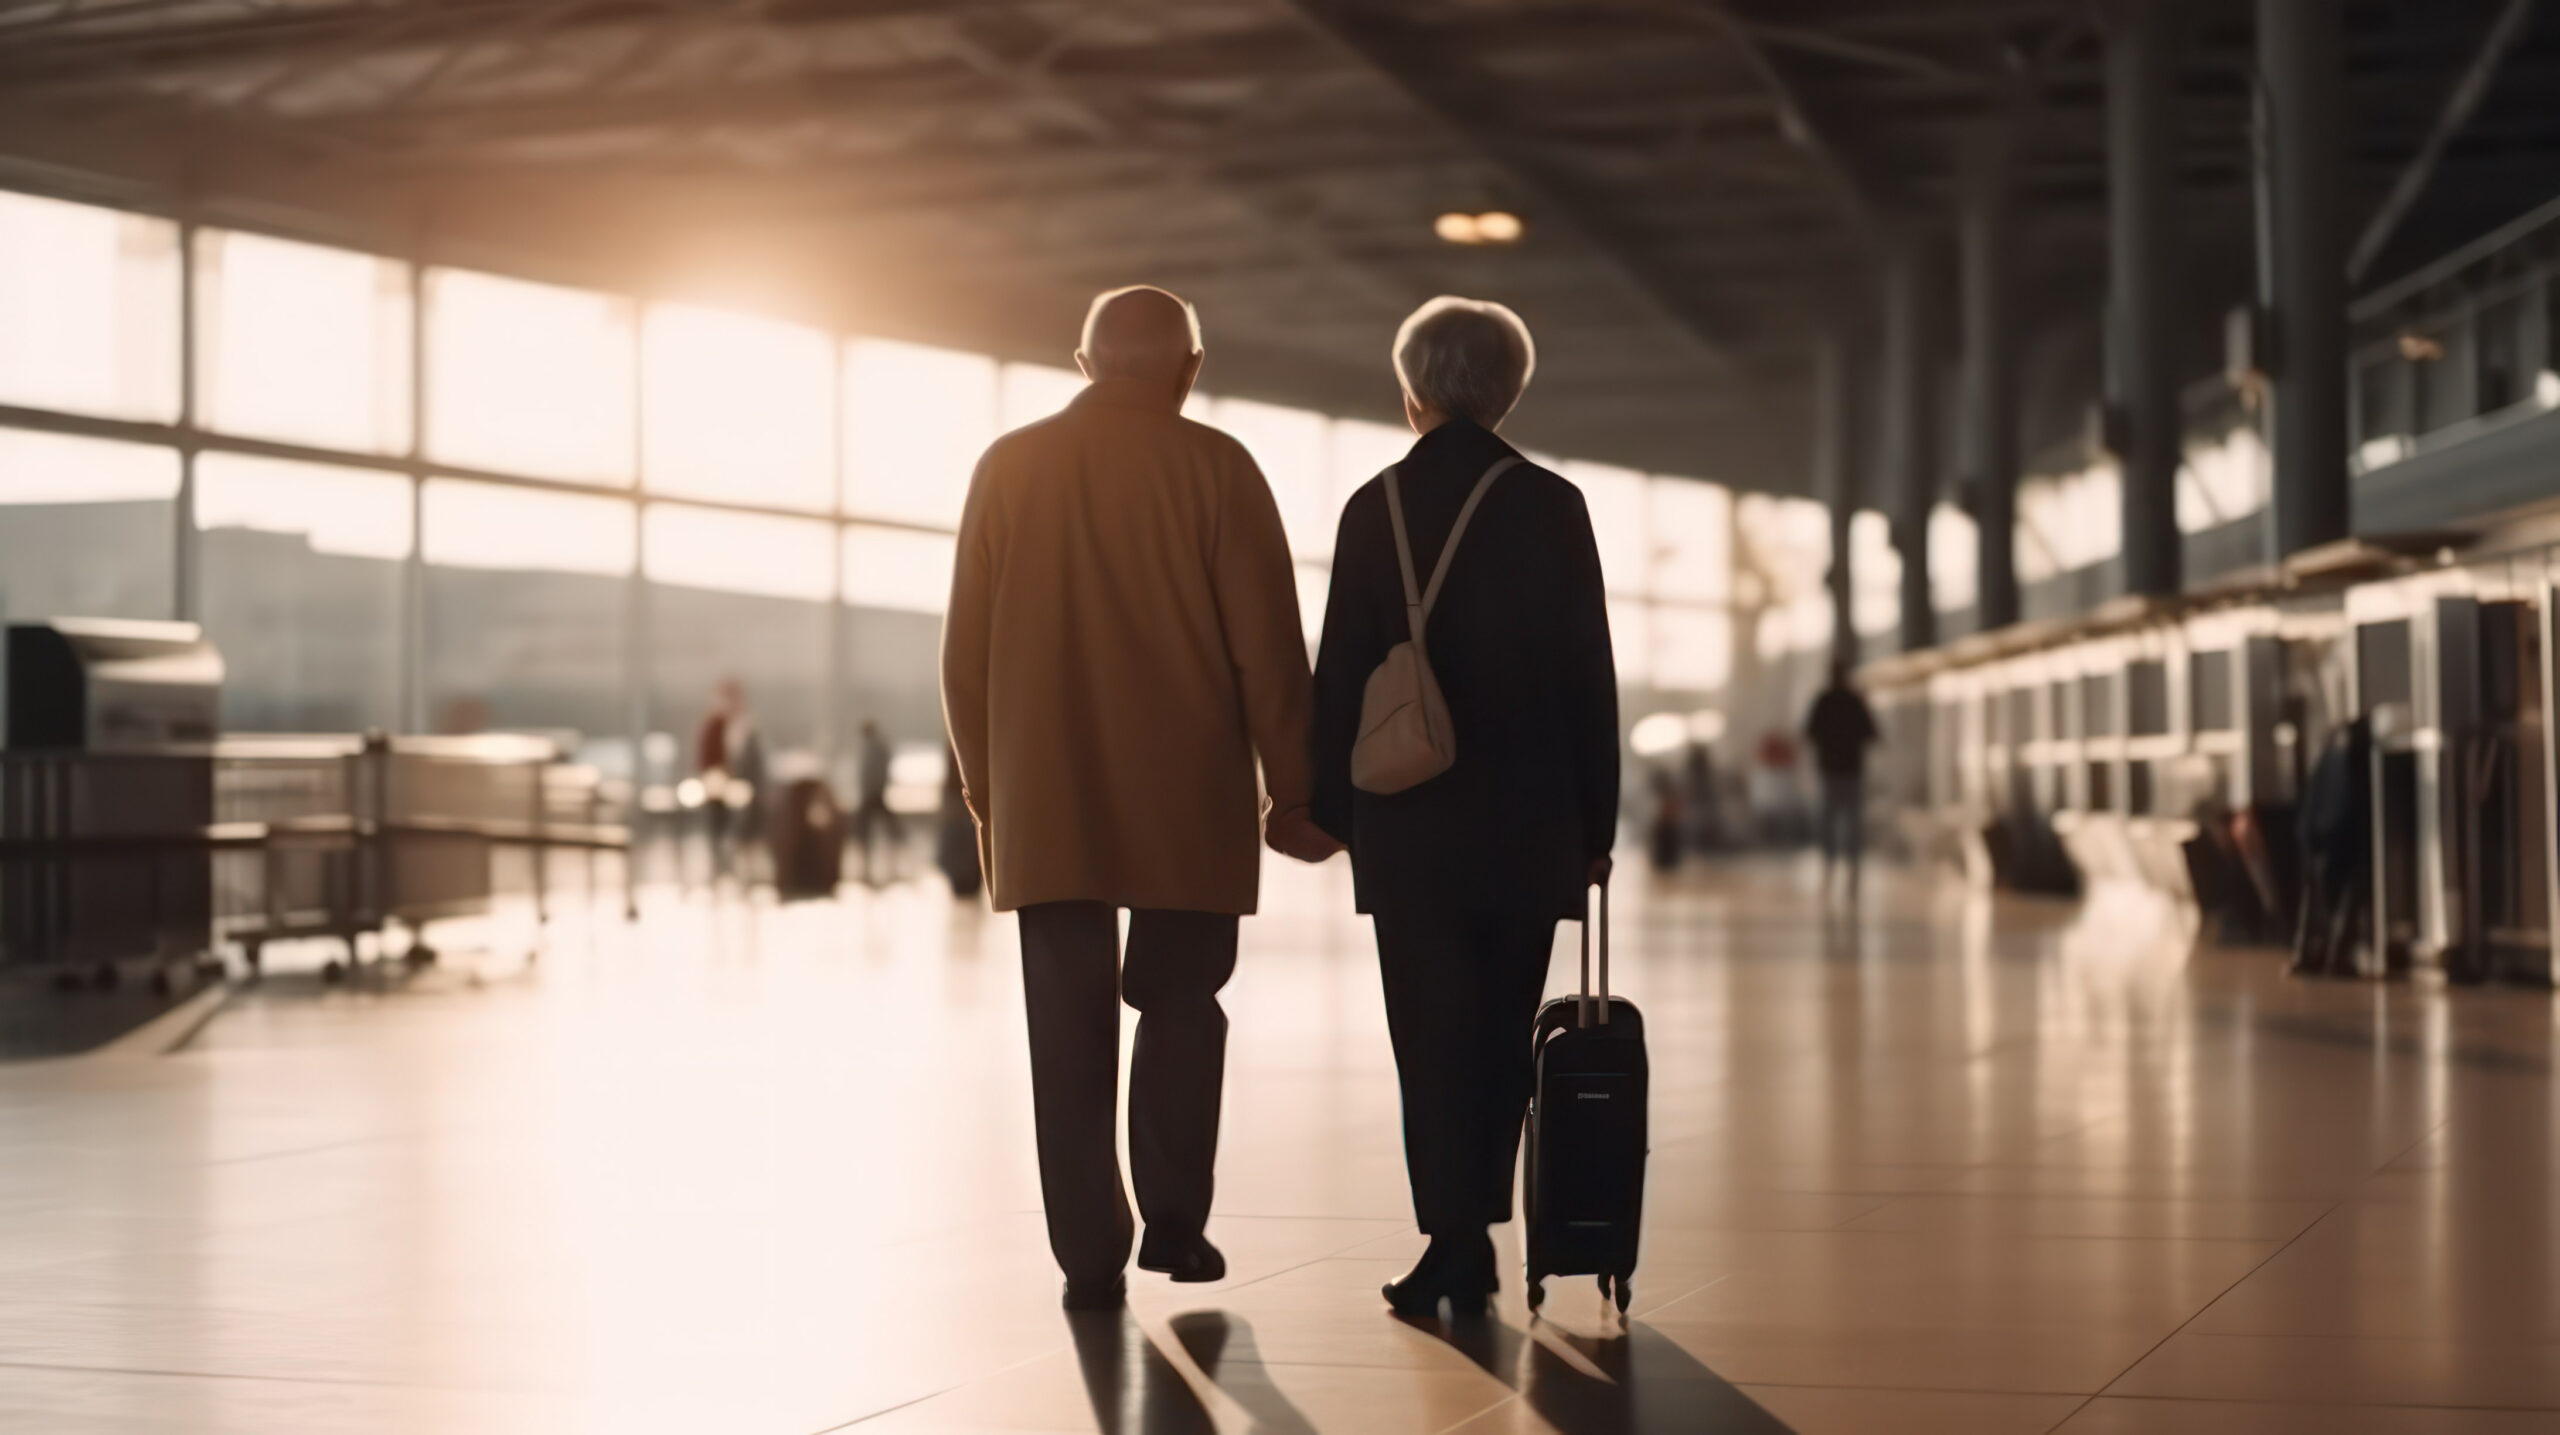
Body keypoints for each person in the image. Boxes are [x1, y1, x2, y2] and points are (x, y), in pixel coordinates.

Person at [941, 285, 1340, 1312]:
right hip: (1188, 801)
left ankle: (1086, 1247)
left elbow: (964, 660)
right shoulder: (1218, 468)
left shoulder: (1008, 467)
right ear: (1189, 369)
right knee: (1181, 1002)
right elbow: (1267, 653)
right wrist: (1291, 790)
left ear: (1083, 364)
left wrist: (994, 799)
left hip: (1049, 799)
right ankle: (1173, 1222)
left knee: (1063, 1026)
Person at [1309, 296, 1618, 1319]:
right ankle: (1474, 1220)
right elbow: (1588, 677)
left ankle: (1453, 1240)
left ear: (1411, 392)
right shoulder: (1552, 504)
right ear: (1507, 391)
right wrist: (1596, 826)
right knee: (1498, 1032)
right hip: (1529, 821)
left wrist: (1328, 809)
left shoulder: (1374, 506)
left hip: (1411, 818)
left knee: (1429, 1035)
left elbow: (1341, 672)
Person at [1803, 660, 1879, 894]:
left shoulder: (1824, 701)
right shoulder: (1853, 701)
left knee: (1831, 822)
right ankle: (1849, 871)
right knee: (1851, 824)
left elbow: (1809, 733)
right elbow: (1872, 734)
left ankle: (1831, 868)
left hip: (1832, 772)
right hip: (1849, 772)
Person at [694, 678, 766, 883]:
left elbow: (754, 767)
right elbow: (704, 762)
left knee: (743, 813)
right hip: (717, 790)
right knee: (714, 817)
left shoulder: (747, 728)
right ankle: (720, 863)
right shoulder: (712, 727)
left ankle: (736, 853)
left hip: (745, 792)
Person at [853, 720, 895, 884]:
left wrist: (875, 788)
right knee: (872, 831)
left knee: (866, 832)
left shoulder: (874, 748)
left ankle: (883, 866)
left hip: (873, 794)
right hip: (873, 793)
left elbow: (874, 772)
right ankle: (869, 868)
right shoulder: (874, 747)